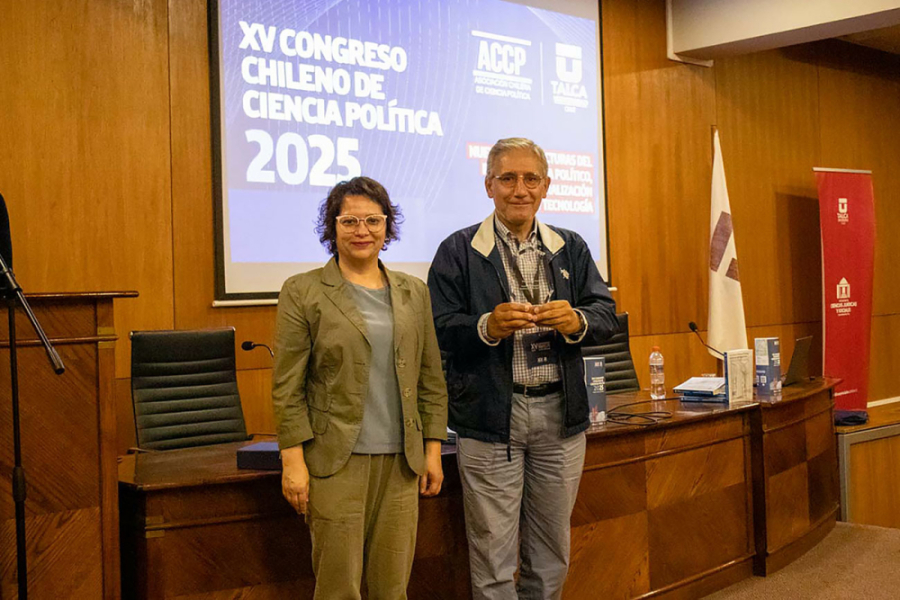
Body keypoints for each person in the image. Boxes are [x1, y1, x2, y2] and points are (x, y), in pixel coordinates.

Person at [427, 138, 617, 600]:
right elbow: (436, 328)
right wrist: (486, 326)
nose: (520, 189)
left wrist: (577, 320)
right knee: (493, 556)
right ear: (488, 185)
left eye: (531, 179)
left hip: (560, 416)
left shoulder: (570, 246)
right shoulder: (457, 250)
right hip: (491, 418)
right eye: (508, 178)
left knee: (551, 551)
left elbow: (606, 315)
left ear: (546, 186)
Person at [271, 176, 448, 600]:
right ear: (332, 227)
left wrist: (432, 451)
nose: (362, 231)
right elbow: (287, 385)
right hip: (334, 462)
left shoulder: (413, 291)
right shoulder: (303, 290)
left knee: (393, 589)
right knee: (338, 589)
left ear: (388, 226)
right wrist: (292, 461)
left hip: (402, 463)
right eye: (349, 221)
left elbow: (430, 378)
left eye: (373, 220)